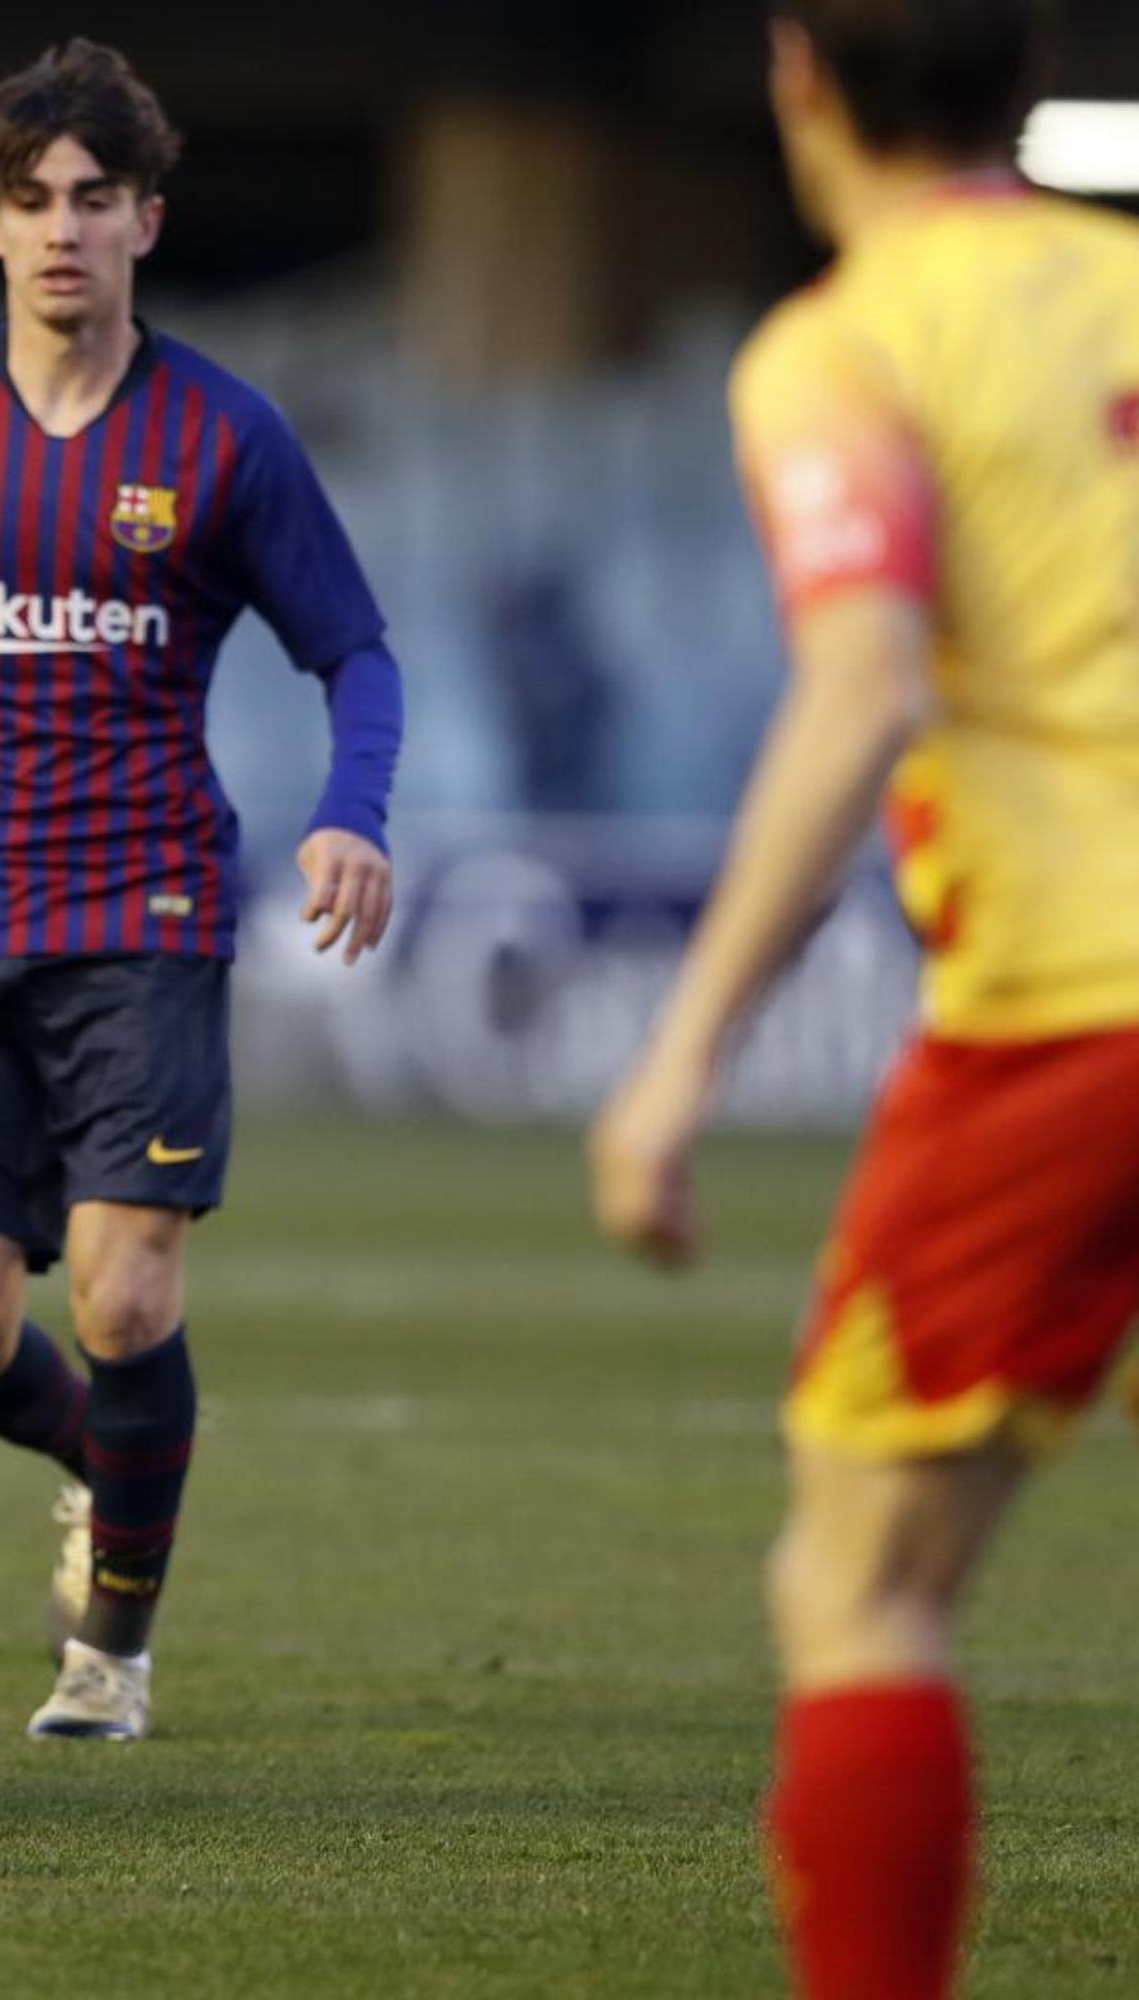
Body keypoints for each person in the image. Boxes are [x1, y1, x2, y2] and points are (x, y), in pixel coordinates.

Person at [589, 3, 1137, 1991]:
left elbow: (868, 679)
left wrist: (675, 1061)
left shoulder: (844, 344)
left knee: (858, 1575)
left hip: (1076, 1012)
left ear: (797, 74)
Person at [0, 39, 404, 1741]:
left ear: (145, 221)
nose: (63, 228)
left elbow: (353, 648)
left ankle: (109, 1647)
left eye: (95, 200)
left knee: (127, 1294)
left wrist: (356, 811)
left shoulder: (225, 436)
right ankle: (119, 1466)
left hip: (149, 920)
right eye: (32, 198)